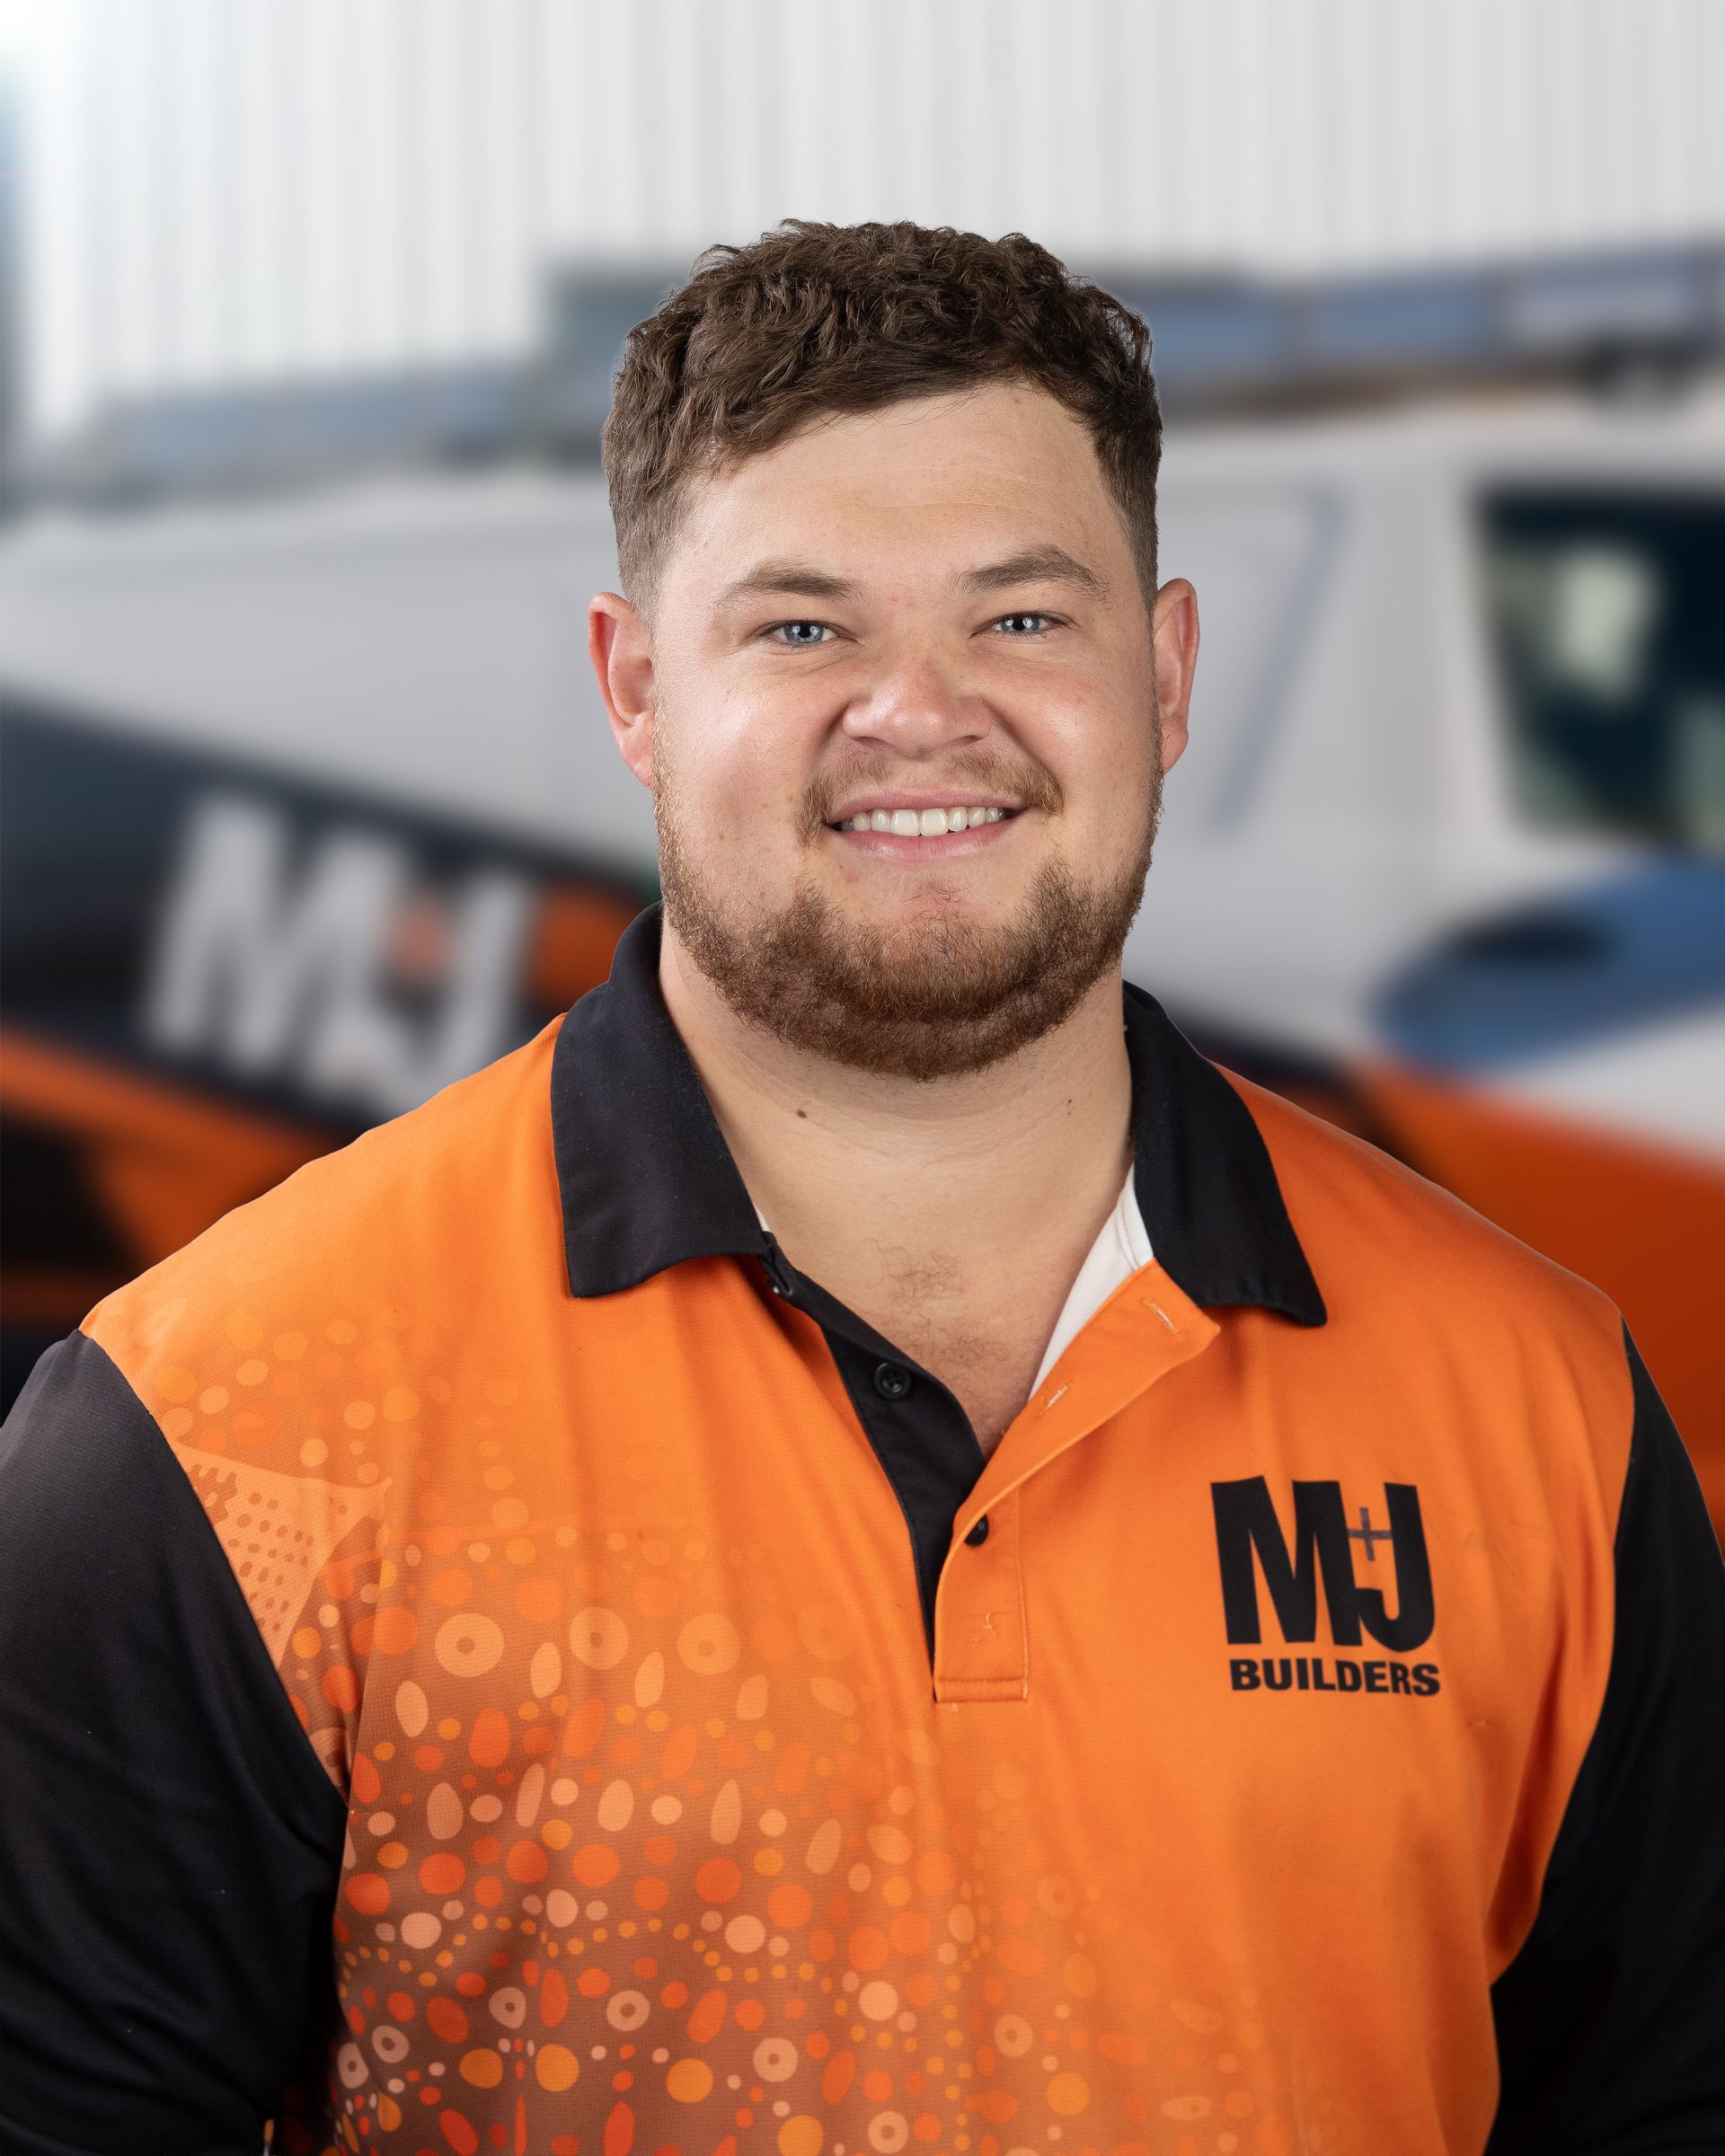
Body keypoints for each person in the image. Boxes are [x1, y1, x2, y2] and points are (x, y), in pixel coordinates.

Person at [1, 219, 1721, 2156]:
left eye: (1022, 618)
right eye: (803, 628)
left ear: (1165, 674)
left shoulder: (1540, 1403)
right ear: (635, 690)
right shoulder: (225, 1420)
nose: (919, 709)